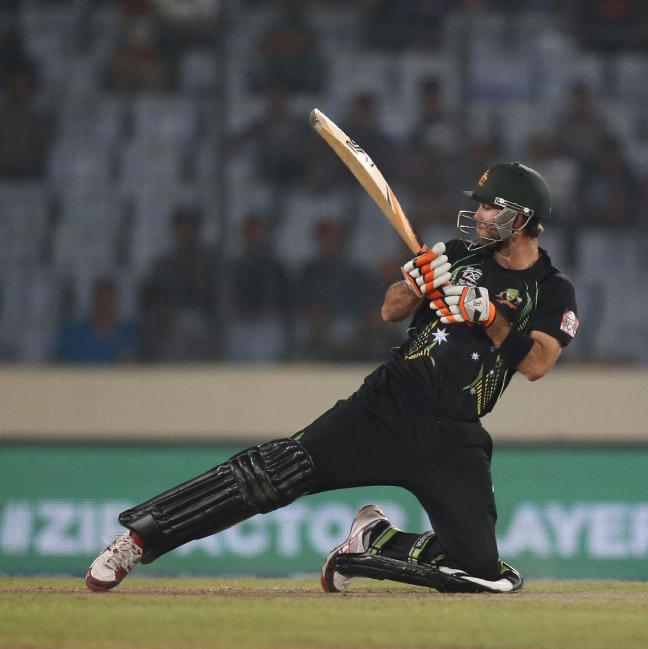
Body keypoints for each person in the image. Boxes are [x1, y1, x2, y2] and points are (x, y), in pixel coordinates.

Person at [86, 162, 578, 594]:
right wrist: (417, 283)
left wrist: (487, 315)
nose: (482, 216)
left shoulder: (553, 291)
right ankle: (138, 539)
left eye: (494, 207)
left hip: (455, 433)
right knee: (276, 473)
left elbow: (536, 364)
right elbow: (390, 308)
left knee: (480, 570)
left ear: (524, 220)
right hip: (387, 406)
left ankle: (374, 541)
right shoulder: (457, 256)